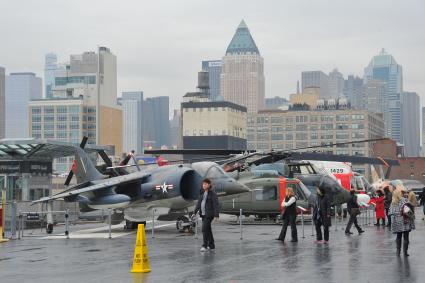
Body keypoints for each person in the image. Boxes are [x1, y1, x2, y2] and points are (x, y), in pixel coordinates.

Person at [388, 186, 415, 256]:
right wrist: (413, 216)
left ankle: (398, 251)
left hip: (397, 223)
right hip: (405, 221)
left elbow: (390, 213)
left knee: (398, 236)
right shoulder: (404, 200)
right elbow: (408, 211)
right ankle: (405, 252)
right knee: (406, 237)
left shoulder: (392, 203)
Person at [194, 178, 219, 252]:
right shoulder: (202, 193)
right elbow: (199, 204)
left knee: (204, 229)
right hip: (203, 214)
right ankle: (211, 245)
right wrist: (194, 212)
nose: (203, 185)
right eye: (203, 184)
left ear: (209, 185)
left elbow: (215, 204)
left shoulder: (212, 193)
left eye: (205, 184)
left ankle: (204, 245)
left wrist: (216, 215)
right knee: (208, 229)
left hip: (209, 214)